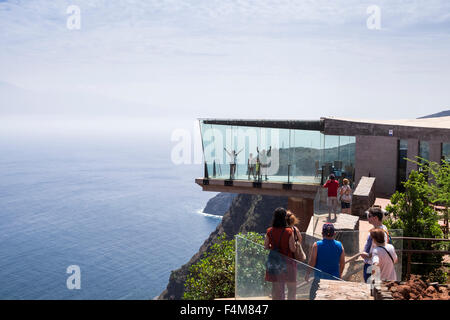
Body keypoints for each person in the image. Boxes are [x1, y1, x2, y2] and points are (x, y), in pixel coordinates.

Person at [305, 223, 345, 300]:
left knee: (313, 297)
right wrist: (339, 275)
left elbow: (312, 261)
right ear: (335, 233)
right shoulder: (340, 245)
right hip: (334, 280)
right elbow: (342, 263)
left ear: (322, 233)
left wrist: (307, 273)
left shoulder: (316, 245)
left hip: (319, 280)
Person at [264, 207, 296, 300]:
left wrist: (273, 247)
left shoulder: (269, 231)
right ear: (284, 218)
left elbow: (265, 246)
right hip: (288, 262)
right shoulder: (289, 231)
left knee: (276, 289)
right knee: (290, 289)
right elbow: (292, 249)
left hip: (274, 262)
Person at [360, 205, 390, 283]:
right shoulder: (379, 229)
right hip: (370, 263)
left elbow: (381, 251)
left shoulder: (381, 232)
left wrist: (367, 255)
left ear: (376, 218)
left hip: (373, 265)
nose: (368, 217)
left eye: (369, 216)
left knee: (371, 286)